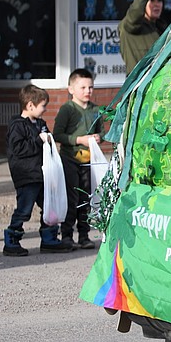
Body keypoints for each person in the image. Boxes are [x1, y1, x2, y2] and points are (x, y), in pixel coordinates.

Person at [4, 85, 72, 256]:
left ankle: (49, 239)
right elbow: (18, 149)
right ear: (30, 105)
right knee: (24, 210)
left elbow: (46, 139)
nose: (45, 109)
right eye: (43, 105)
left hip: (43, 175)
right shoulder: (17, 125)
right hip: (27, 176)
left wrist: (47, 139)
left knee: (49, 208)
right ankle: (11, 239)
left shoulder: (40, 124)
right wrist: (38, 140)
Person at [53, 68, 102, 250]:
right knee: (71, 198)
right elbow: (57, 134)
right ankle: (66, 235)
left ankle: (84, 235)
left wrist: (98, 138)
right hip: (70, 159)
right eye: (82, 87)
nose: (87, 91)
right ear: (71, 89)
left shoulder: (95, 110)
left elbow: (102, 132)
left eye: (90, 87)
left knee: (86, 197)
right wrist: (78, 140)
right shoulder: (67, 109)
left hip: (89, 161)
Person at [119, 0, 167, 73]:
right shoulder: (131, 26)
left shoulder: (161, 27)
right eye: (151, 0)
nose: (156, 4)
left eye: (159, 0)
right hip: (142, 84)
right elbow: (134, 16)